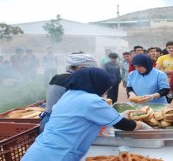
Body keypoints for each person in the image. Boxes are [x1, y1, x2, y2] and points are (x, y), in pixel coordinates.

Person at [22, 68, 152, 161]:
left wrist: (121, 115)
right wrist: (143, 125)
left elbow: (82, 119)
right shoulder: (91, 101)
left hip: (38, 152)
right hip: (57, 156)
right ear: (97, 84)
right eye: (106, 86)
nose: (107, 90)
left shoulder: (69, 95)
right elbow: (126, 126)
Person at [40, 52, 98, 132]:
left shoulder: (58, 77)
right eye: (89, 71)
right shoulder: (73, 81)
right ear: (81, 68)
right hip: (59, 124)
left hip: (47, 121)